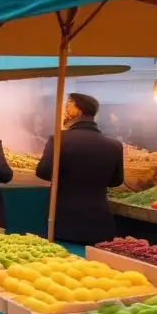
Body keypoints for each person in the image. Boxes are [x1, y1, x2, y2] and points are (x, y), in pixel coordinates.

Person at [35, 93, 123, 244]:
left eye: (68, 106)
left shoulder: (58, 139)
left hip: (65, 219)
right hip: (100, 220)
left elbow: (43, 172)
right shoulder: (114, 145)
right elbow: (116, 181)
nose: (64, 111)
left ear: (78, 111)